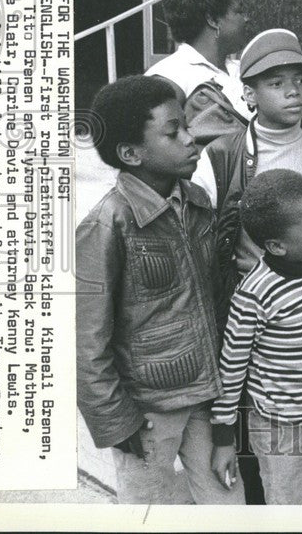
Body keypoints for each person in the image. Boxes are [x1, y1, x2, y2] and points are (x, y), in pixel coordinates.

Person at [190, 29, 302, 503]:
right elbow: (206, 238)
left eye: (299, 81)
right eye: (275, 82)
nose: (292, 91)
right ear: (249, 93)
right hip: (248, 300)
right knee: (259, 428)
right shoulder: (223, 156)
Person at [75, 75, 244, 505]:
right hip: (146, 414)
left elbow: (215, 300)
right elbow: (85, 339)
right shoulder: (106, 225)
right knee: (147, 513)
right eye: (174, 132)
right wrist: (116, 421)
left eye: (187, 126)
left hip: (208, 395)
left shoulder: (199, 203)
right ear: (131, 153)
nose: (192, 140)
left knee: (227, 506)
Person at [210, 170, 302, 505]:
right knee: (291, 509)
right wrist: (224, 437)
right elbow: (231, 370)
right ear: (277, 246)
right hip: (279, 429)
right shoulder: (255, 295)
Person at [146, 0, 302, 146]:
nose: (246, 19)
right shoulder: (171, 75)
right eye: (239, 11)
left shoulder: (236, 67)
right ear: (213, 20)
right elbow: (153, 142)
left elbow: (289, 90)